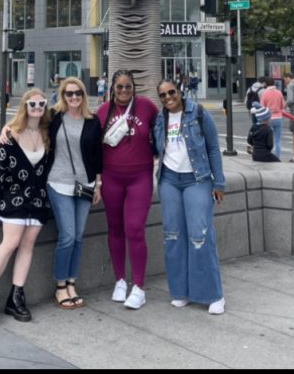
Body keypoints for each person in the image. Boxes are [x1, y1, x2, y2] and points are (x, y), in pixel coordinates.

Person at [0, 88, 54, 323]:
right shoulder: (10, 135)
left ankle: (16, 296)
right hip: (13, 199)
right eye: (33, 104)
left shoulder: (48, 134)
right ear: (25, 106)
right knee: (10, 243)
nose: (38, 108)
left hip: (37, 200)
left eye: (42, 104)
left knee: (27, 245)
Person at [153, 78, 227, 314]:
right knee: (173, 236)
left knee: (200, 235)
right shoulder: (160, 119)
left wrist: (219, 182)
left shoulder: (199, 113)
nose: (168, 98)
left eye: (171, 92)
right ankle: (180, 291)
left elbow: (214, 148)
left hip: (197, 179)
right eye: (162, 95)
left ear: (180, 91)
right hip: (169, 180)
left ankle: (213, 294)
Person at [95, 69, 160, 310]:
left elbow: (163, 128)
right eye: (119, 87)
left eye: (128, 87)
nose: (124, 91)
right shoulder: (103, 112)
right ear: (112, 88)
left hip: (139, 177)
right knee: (115, 229)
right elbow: (90, 144)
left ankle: (139, 286)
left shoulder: (146, 107)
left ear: (134, 88)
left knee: (135, 229)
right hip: (111, 178)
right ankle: (120, 280)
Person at [37, 76, 102, 309]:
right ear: (62, 96)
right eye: (69, 93)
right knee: (67, 236)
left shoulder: (93, 121)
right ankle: (60, 285)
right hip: (58, 182)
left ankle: (72, 282)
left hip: (85, 184)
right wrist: (6, 129)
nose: (73, 97)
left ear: (84, 95)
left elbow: (97, 155)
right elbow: (27, 119)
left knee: (78, 236)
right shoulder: (54, 117)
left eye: (78, 93)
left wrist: (98, 184)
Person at [259, 77, 286, 159]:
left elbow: (262, 107)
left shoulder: (265, 93)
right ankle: (278, 157)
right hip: (278, 118)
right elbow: (283, 106)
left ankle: (268, 156)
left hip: (268, 119)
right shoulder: (279, 93)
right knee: (278, 140)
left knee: (267, 139)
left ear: (266, 84)